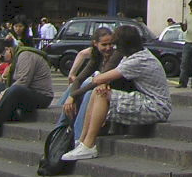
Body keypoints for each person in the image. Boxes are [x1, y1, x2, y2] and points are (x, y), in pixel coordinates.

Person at [62, 24, 172, 161]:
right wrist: (103, 83)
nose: (114, 48)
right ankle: (83, 141)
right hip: (149, 101)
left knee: (101, 93)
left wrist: (100, 83)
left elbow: (100, 78)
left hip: (157, 107)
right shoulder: (138, 55)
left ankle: (88, 145)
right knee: (99, 90)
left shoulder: (138, 60)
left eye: (115, 44)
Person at [57, 25, 115, 126]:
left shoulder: (115, 56)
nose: (108, 48)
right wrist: (71, 98)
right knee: (73, 87)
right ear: (95, 44)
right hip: (98, 89)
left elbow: (97, 81)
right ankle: (60, 127)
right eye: (104, 45)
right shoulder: (96, 56)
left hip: (108, 91)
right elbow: (79, 79)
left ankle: (77, 137)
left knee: (88, 86)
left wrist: (73, 96)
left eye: (110, 44)